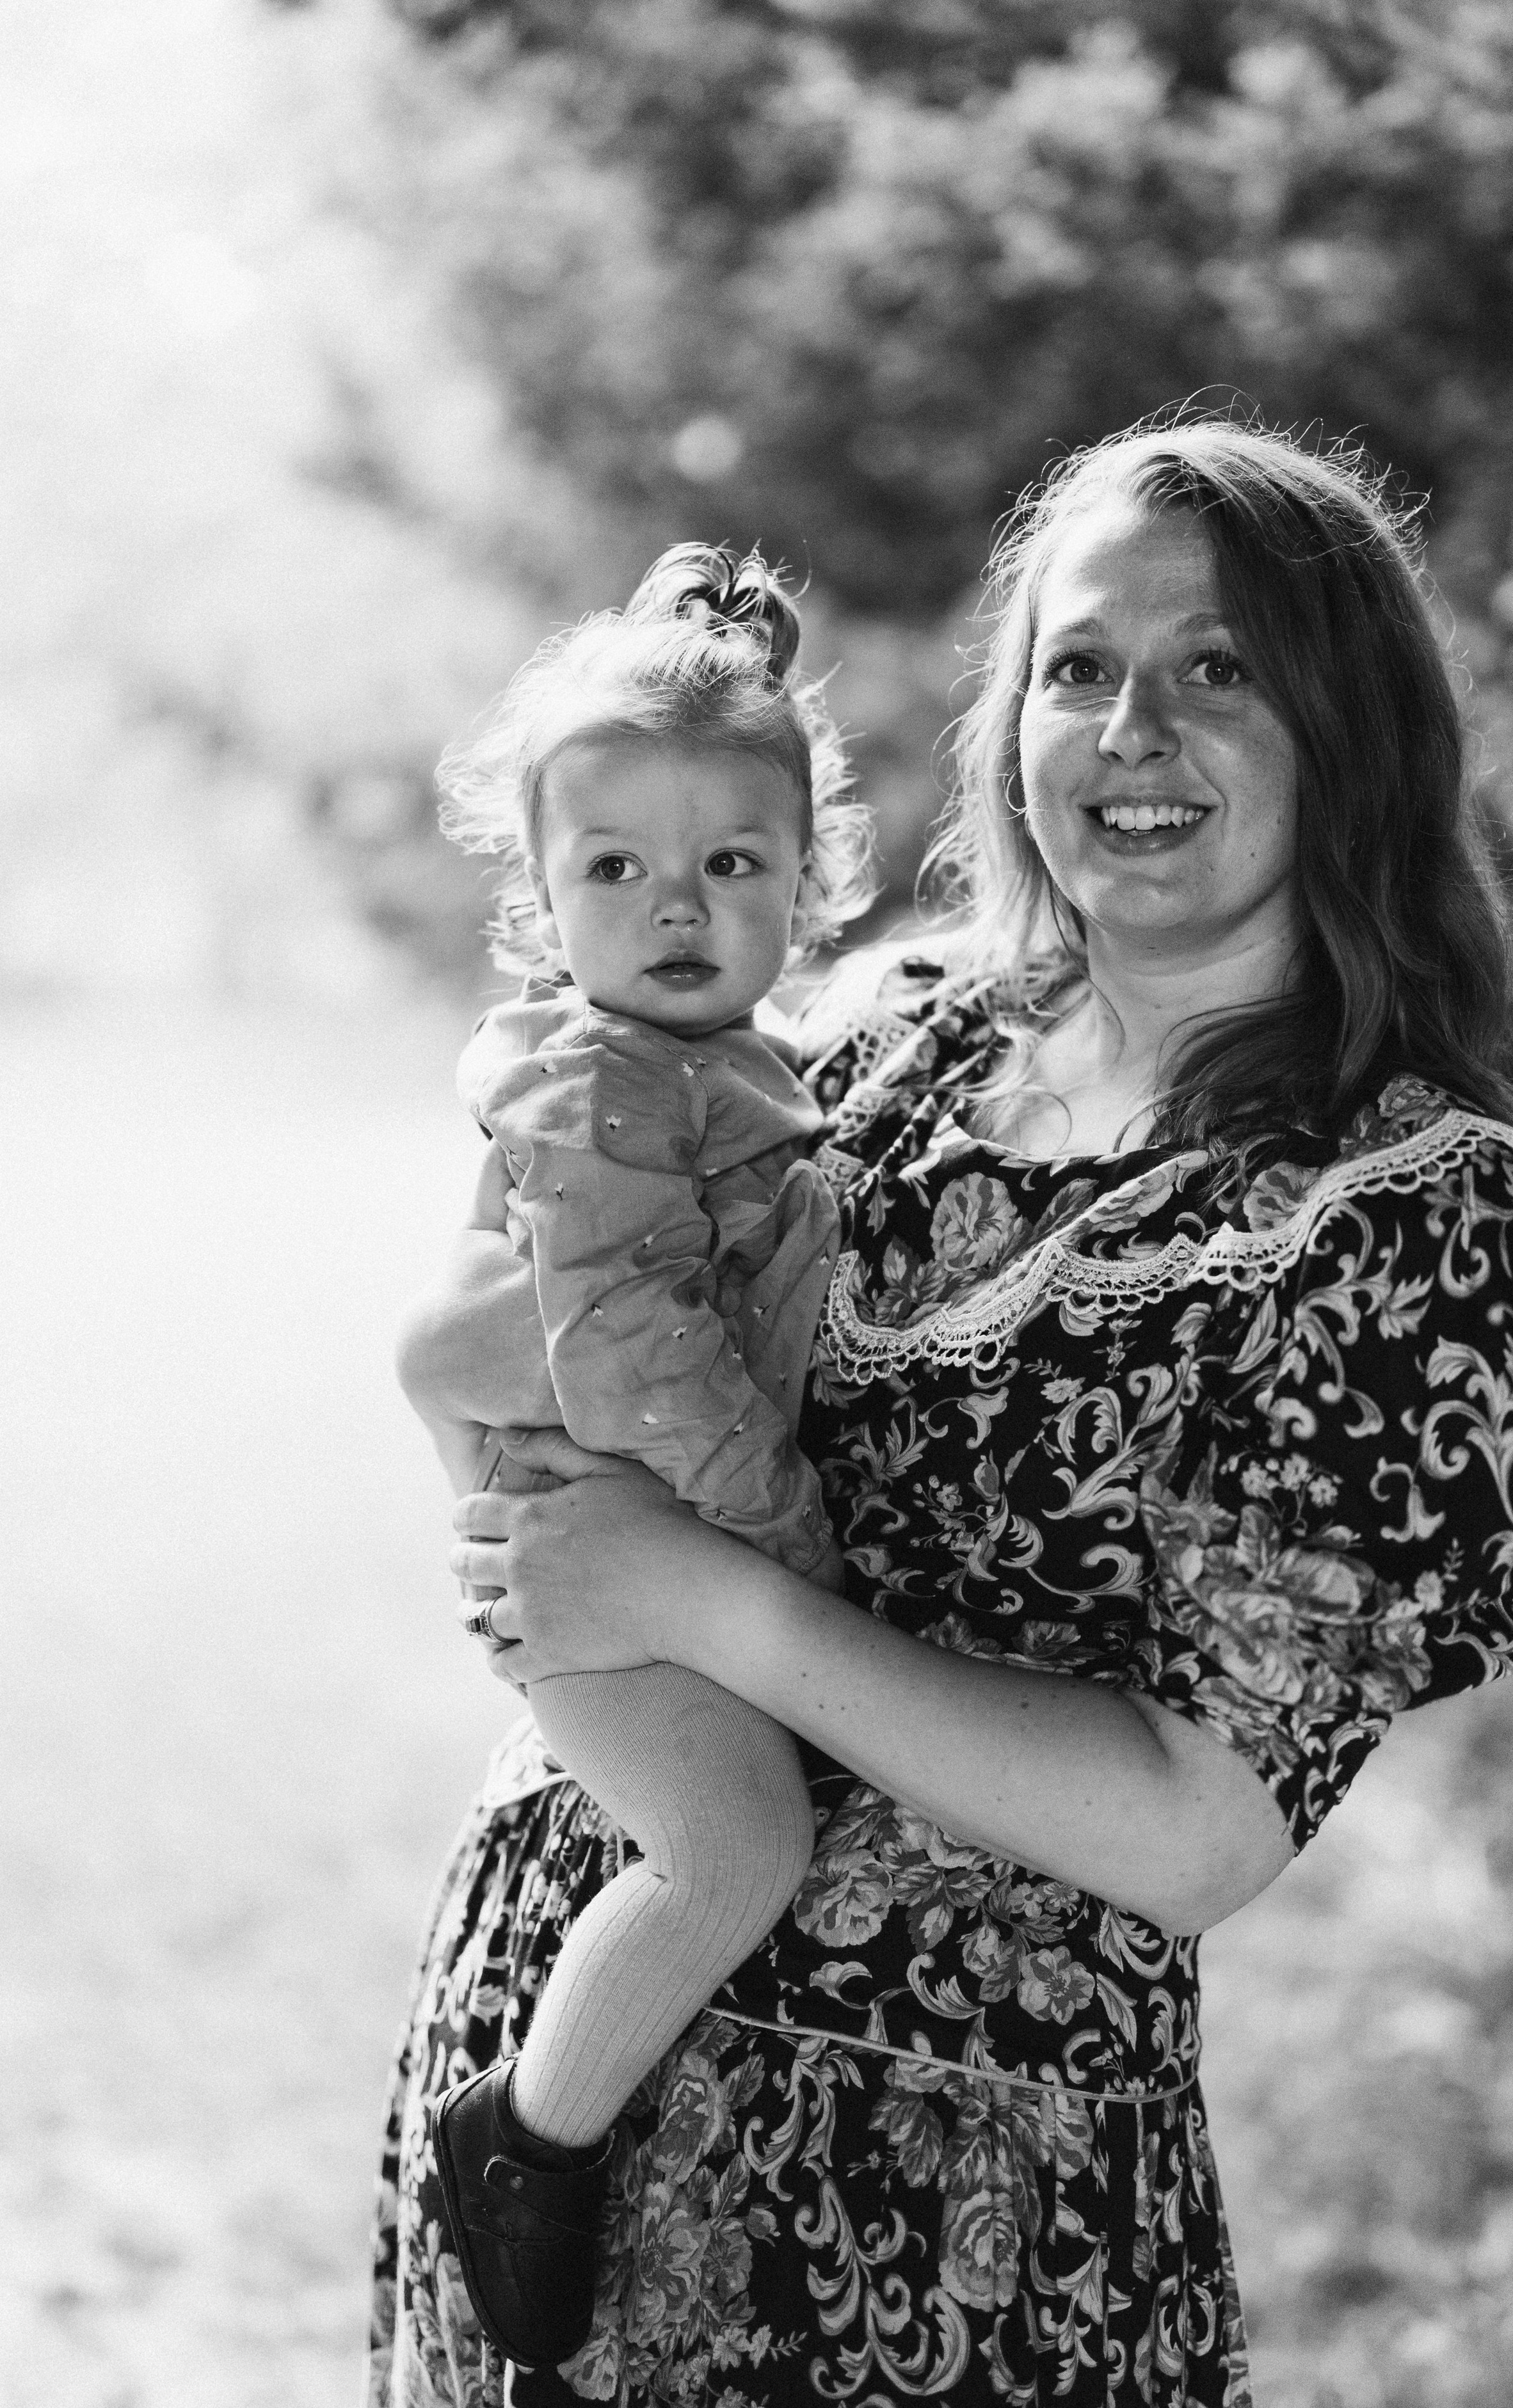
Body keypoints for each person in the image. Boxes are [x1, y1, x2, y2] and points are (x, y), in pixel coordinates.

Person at [370, 417, 1513, 2408]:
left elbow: (1197, 1830)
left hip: (950, 2228)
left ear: (1348, 725)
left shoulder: (1407, 1218)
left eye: (1220, 670)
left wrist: (707, 1596)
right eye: (1082, 664)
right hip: (553, 2073)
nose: (1133, 727)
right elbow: (491, 1307)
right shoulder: (878, 1030)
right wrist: (509, 1484)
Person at [392, 543, 874, 2375]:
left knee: (746, 1812)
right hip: (592, 1548)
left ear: (806, 884)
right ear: (542, 896)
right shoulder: (602, 1085)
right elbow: (634, 1353)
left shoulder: (723, 1061)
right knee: (731, 1843)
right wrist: (794, 1547)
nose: (675, 906)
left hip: (641, 1537)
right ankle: (529, 2137)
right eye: (616, 869)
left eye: (730, 865)